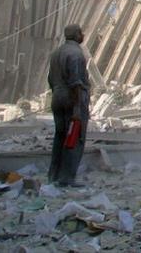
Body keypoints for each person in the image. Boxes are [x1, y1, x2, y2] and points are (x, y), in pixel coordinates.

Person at [47, 24, 90, 186]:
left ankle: (54, 175)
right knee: (74, 137)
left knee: (60, 136)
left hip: (57, 97)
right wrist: (77, 109)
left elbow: (50, 79)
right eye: (81, 32)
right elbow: (76, 83)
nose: (83, 34)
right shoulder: (76, 54)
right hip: (72, 99)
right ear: (77, 35)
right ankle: (67, 178)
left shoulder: (56, 53)